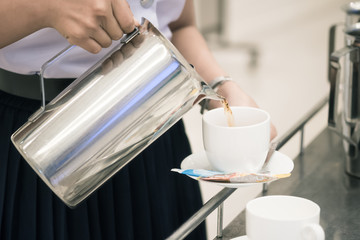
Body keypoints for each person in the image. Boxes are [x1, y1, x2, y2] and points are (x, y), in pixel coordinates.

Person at [0, 0, 277, 239]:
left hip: (151, 136)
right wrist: (44, 9)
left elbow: (180, 25)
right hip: (39, 145)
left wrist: (224, 89)